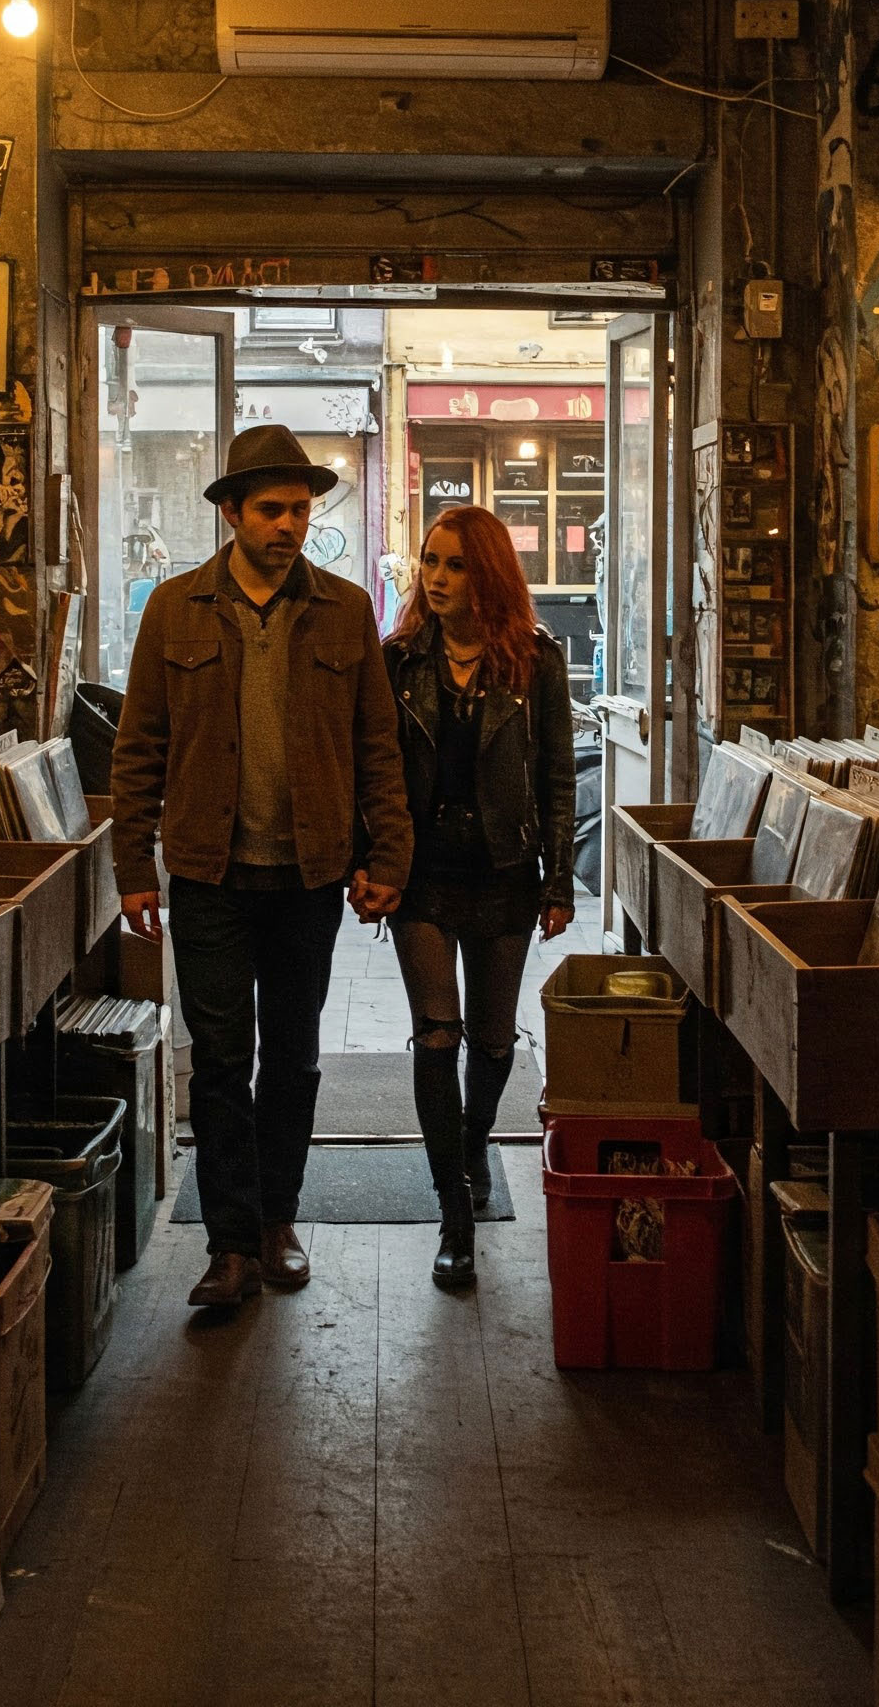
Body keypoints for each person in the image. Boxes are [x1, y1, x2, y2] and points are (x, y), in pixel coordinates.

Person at [111, 423, 413, 1310]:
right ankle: (228, 1242)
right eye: (273, 509)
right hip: (208, 872)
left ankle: (278, 1218)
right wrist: (135, 865)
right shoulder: (173, 608)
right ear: (232, 513)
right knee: (216, 1058)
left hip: (309, 874)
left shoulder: (347, 610)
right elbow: (139, 750)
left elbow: (378, 748)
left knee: (293, 1055)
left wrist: (387, 853)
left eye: (301, 510)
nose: (289, 524)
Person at [382, 506, 576, 1289]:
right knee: (437, 1034)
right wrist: (375, 864)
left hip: (505, 873)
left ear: (487, 573)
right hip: (424, 876)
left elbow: (559, 779)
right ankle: (453, 1210)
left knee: (495, 1038)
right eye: (430, 561)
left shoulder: (535, 662)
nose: (436, 578)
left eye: (456, 564)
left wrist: (559, 881)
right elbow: (377, 774)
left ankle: (473, 1140)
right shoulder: (397, 660)